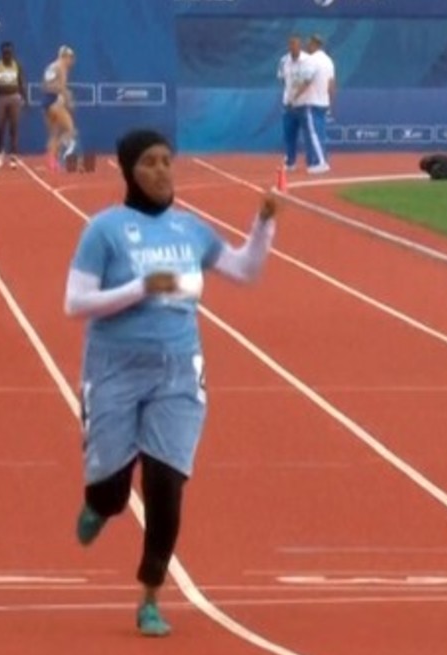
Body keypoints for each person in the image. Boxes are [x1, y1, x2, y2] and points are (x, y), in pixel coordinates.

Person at [63, 129, 280, 637]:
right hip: (113, 370)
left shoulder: (192, 231)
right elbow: (75, 304)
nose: (163, 171)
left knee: (166, 485)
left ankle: (150, 595)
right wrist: (141, 287)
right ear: (128, 171)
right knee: (115, 493)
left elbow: (244, 271)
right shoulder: (105, 231)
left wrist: (264, 224)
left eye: (167, 161)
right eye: (150, 163)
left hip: (179, 371)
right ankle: (99, 503)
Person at [288, 33, 335, 174]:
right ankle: (318, 161)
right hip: (322, 102)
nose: (307, 45)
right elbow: (332, 84)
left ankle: (320, 162)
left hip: (311, 102)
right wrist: (330, 103)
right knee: (319, 133)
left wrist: (294, 98)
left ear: (314, 44)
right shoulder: (328, 60)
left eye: (309, 43)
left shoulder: (311, 60)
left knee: (313, 134)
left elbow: (306, 81)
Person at [0, 41, 27, 168]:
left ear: (12, 53)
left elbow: (22, 83)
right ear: (2, 54)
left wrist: (26, 99)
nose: (7, 55)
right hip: (1, 98)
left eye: (9, 53)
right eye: (5, 53)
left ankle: (13, 157)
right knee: (0, 127)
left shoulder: (17, 65)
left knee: (14, 128)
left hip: (14, 97)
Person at [42, 45, 77, 171]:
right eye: (71, 58)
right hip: (55, 102)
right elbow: (61, 87)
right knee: (70, 130)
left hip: (46, 101)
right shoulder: (61, 67)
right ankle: (59, 155)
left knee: (54, 134)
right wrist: (69, 100)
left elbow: (45, 85)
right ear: (65, 57)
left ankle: (52, 160)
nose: (72, 61)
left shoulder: (51, 67)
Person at [277, 35, 306, 171]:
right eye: (291, 44)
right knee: (289, 135)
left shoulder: (307, 60)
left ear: (300, 46)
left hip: (305, 103)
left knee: (310, 135)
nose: (293, 47)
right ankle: (290, 162)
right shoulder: (284, 60)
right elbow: (281, 79)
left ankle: (314, 162)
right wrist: (290, 94)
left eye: (295, 44)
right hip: (288, 104)